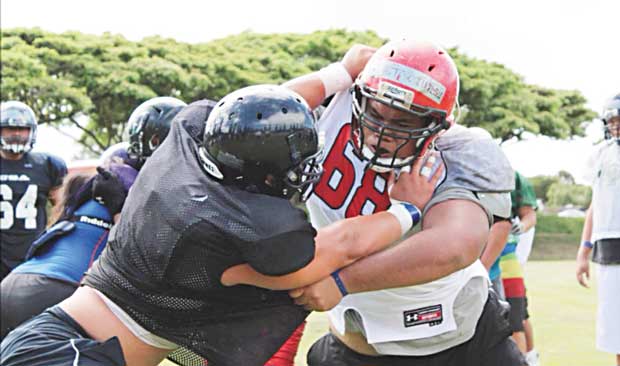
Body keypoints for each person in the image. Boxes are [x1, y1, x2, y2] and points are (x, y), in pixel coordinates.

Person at [1, 85, 438, 366]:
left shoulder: (184, 152)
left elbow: (255, 105)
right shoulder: (243, 227)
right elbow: (340, 247)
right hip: (72, 352)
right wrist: (408, 210)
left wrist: (339, 71)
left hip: (58, 333)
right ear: (268, 171)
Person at [260, 39, 524, 365]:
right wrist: (338, 73)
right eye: (376, 112)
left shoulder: (457, 151)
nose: (381, 132)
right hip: (355, 349)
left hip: (461, 347)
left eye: (403, 123)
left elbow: (455, 244)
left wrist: (343, 282)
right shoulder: (330, 115)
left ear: (437, 126)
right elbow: (257, 118)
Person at [0, 165, 136, 339]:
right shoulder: (124, 209)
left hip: (13, 282)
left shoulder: (81, 196)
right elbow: (130, 248)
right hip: (59, 287)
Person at [576, 91, 620, 366]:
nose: (616, 125)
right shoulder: (600, 154)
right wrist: (584, 251)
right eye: (611, 120)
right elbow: (597, 203)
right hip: (607, 256)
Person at [1, 101, 68, 280]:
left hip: (32, 252)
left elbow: (61, 208)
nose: (16, 134)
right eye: (10, 129)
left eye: (22, 129)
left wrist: (50, 238)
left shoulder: (47, 165)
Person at [498, 171, 539, 364]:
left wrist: (521, 226)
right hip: (476, 261)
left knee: (516, 321)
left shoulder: (514, 177)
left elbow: (529, 215)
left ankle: (528, 357)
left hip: (507, 260)